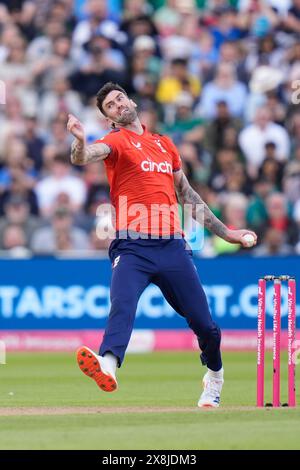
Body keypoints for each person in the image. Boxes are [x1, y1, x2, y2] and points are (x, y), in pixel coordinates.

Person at [67, 82, 257, 408]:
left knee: (205, 327)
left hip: (172, 247)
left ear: (130, 100)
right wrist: (80, 142)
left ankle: (214, 377)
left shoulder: (164, 144)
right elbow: (85, 157)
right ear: (110, 119)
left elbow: (188, 196)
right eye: (110, 106)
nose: (117, 105)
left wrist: (227, 233)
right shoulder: (115, 140)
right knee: (122, 304)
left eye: (119, 99)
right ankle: (108, 365)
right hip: (132, 246)